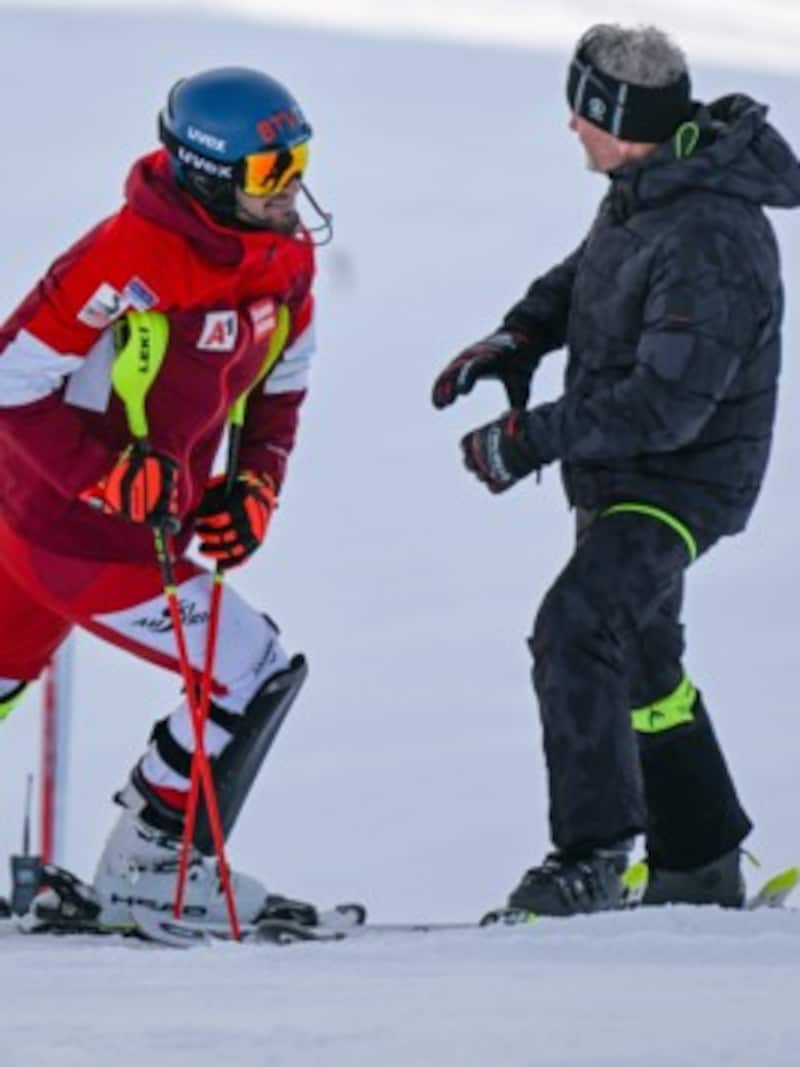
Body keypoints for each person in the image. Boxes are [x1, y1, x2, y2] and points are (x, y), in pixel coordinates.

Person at [432, 24, 800, 915]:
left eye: (582, 108)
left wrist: (526, 440)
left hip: (678, 481)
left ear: (620, 117)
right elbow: (589, 273)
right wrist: (517, 335)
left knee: (578, 623)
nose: (570, 125)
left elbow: (666, 409)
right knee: (642, 659)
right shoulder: (650, 189)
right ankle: (701, 857)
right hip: (624, 468)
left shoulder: (711, 233)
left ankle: (592, 854)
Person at [0, 67, 330, 928]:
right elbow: (10, 382)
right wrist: (105, 474)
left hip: (96, 528)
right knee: (251, 670)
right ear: (212, 174)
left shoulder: (286, 260)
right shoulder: (128, 255)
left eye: (298, 159)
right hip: (72, 532)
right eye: (270, 172)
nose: (292, 185)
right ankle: (150, 865)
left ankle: (152, 865)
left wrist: (256, 482)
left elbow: (281, 388)